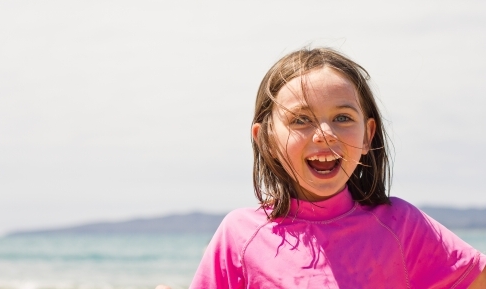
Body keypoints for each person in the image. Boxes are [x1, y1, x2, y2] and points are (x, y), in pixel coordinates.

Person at [171, 48, 486, 288]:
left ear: (368, 135)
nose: (325, 134)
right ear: (265, 138)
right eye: (301, 120)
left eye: (343, 118)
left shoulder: (401, 226)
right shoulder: (239, 237)